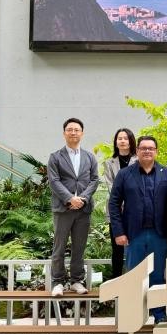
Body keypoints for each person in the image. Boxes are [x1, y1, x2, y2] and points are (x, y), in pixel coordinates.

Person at [108, 135, 167, 322]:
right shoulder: (125, 174)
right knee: (134, 276)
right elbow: (114, 204)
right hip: (133, 234)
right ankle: (134, 315)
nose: (147, 151)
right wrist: (119, 232)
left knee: (158, 275)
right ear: (137, 151)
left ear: (156, 151)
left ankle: (159, 314)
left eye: (150, 148)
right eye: (143, 148)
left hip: (159, 233)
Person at [47, 117, 100, 296]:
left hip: (83, 209)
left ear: (82, 133)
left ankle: (77, 281)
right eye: (70, 130)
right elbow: (54, 181)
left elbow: (94, 180)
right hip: (63, 209)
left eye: (76, 130)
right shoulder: (55, 157)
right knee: (59, 247)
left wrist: (83, 198)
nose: (73, 132)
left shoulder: (89, 157)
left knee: (79, 247)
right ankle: (57, 282)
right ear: (64, 133)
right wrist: (70, 198)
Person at [101, 127, 136, 279]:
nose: (122, 141)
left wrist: (130, 201)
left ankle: (134, 279)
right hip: (116, 210)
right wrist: (120, 202)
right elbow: (111, 185)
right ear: (115, 142)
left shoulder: (138, 160)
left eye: (125, 138)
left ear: (131, 141)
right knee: (117, 248)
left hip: (134, 210)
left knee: (134, 246)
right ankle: (116, 280)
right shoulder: (109, 163)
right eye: (119, 138)